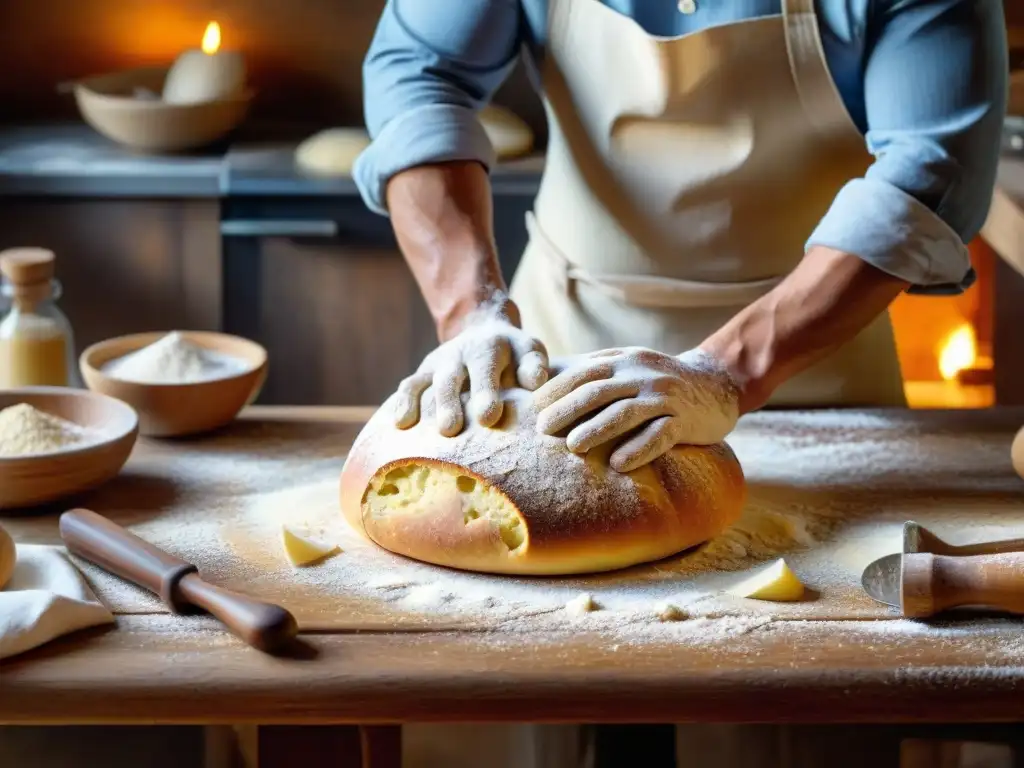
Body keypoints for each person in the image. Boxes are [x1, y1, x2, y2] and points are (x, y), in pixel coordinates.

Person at [355, 0, 1007, 765]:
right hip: (555, 380)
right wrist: (472, 311)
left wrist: (726, 372)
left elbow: (932, 168)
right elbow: (418, 72)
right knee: (563, 697)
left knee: (813, 704)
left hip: (818, 374)